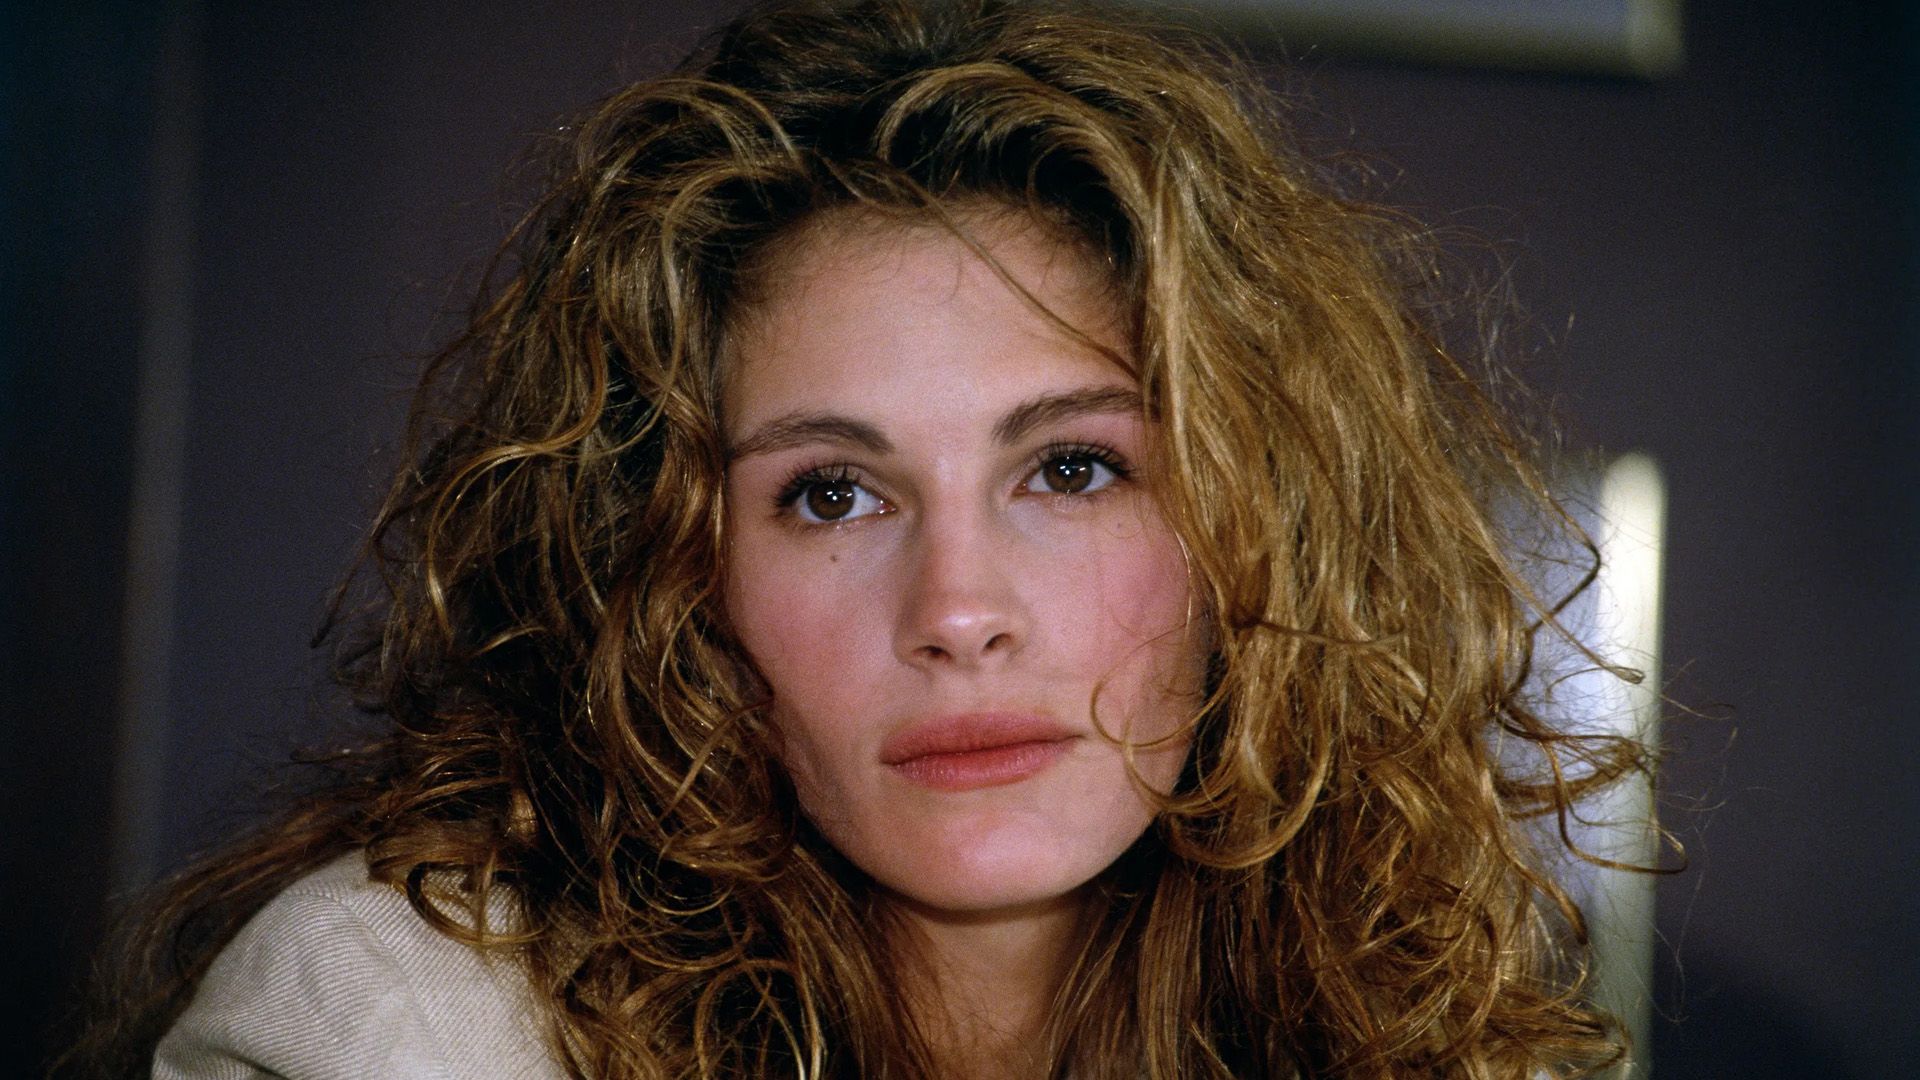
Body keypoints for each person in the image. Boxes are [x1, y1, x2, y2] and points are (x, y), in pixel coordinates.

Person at [78, 0, 1650, 1076]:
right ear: (677, 575)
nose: (958, 613)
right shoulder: (387, 1025)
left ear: (1260, 531)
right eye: (833, 493)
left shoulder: (1428, 1037)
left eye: (1075, 472)